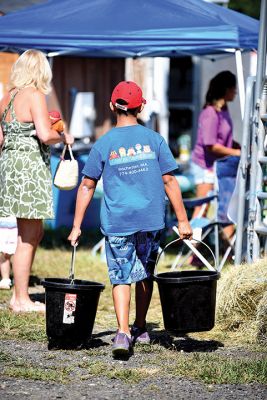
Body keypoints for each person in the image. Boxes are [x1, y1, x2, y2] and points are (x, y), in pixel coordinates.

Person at [68, 81, 192, 357]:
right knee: (145, 273)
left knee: (121, 276)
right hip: (151, 220)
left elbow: (87, 185)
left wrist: (77, 226)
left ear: (112, 106)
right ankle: (140, 326)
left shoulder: (104, 144)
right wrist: (183, 220)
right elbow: (170, 180)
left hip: (118, 222)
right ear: (142, 106)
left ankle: (123, 332)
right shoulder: (154, 140)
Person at [0, 49, 74, 313]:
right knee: (29, 235)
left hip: (10, 167)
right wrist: (63, 137)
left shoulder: (7, 97)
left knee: (33, 231)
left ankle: (19, 296)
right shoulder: (34, 95)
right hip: (29, 169)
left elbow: (0, 139)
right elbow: (44, 135)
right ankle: (20, 299)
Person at [190, 70, 241, 238]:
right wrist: (236, 151)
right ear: (226, 89)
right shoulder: (210, 113)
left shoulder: (223, 111)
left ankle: (224, 247)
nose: (236, 92)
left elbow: (224, 139)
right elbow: (210, 145)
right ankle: (193, 251)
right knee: (201, 210)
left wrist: (238, 146)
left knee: (225, 208)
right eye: (234, 88)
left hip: (220, 166)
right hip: (205, 166)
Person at [0, 216, 17, 290]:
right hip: (2, 225)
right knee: (5, 253)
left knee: (19, 254)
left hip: (17, 226)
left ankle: (19, 280)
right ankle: (5, 279)